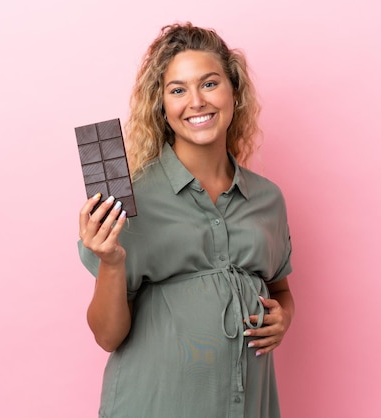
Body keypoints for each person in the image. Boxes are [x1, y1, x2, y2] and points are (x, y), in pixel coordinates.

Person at [78, 22, 294, 418]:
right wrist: (111, 261)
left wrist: (284, 318)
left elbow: (280, 290)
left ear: (234, 92)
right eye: (178, 90)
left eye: (209, 84)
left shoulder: (268, 199)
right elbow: (107, 336)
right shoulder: (130, 202)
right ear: (162, 105)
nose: (196, 101)